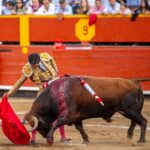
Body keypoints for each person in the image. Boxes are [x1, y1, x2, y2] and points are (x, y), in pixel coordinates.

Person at [7, 52, 70, 144]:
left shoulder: (46, 58)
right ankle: (33, 138)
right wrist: (9, 93)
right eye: (32, 65)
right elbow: (20, 82)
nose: (34, 66)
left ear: (39, 61)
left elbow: (53, 65)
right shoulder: (28, 69)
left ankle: (63, 136)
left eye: (35, 64)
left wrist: (56, 75)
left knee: (59, 110)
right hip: (43, 90)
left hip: (54, 87)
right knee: (36, 113)